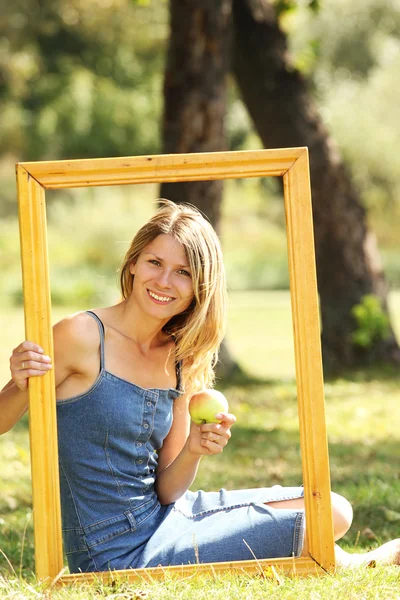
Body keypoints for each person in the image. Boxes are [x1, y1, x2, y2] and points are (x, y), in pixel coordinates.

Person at [1, 199, 399, 572]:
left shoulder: (178, 356)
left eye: (184, 272)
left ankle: (339, 558)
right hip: (114, 552)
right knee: (328, 517)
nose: (164, 281)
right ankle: (353, 563)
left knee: (331, 506)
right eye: (155, 262)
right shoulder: (81, 335)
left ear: (199, 286)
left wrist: (193, 450)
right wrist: (21, 384)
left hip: (168, 516)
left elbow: (168, 492)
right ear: (134, 264)